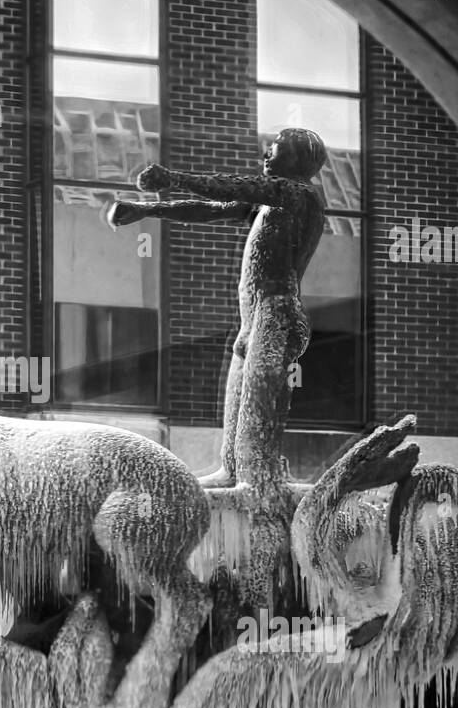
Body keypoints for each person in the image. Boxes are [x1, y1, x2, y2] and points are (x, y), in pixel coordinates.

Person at [107, 128, 327, 489]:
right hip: (253, 319)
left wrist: (171, 178)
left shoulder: (298, 193)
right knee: (237, 406)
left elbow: (230, 186)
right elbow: (211, 209)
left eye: (275, 149)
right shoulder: (272, 200)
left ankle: (259, 479)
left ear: (298, 159)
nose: (266, 156)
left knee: (257, 409)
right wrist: (147, 209)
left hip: (277, 315)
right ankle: (233, 471)